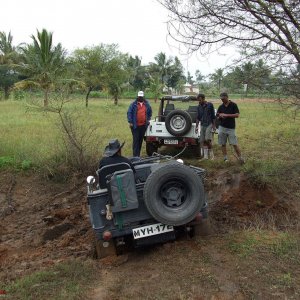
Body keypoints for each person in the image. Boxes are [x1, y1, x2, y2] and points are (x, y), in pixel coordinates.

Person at [216, 92, 244, 163]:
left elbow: (237, 115)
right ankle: (225, 158)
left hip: (231, 128)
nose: (222, 100)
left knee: (234, 143)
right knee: (223, 143)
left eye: (223, 99)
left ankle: (240, 158)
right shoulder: (220, 106)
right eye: (221, 99)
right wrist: (220, 116)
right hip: (222, 127)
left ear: (227, 97)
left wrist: (226, 115)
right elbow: (217, 116)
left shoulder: (233, 105)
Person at [127, 91, 152, 157]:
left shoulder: (147, 104)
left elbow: (149, 112)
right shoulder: (133, 104)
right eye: (139, 96)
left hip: (143, 126)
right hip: (135, 126)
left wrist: (148, 119)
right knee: (136, 141)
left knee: (140, 140)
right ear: (137, 96)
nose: (140, 97)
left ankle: (138, 155)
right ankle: (135, 156)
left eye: (141, 96)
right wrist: (130, 122)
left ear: (143, 96)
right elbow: (129, 113)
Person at [195, 93, 216, 159]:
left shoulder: (210, 105)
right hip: (202, 125)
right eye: (198, 100)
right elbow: (198, 117)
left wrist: (214, 125)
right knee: (203, 140)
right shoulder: (199, 107)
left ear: (203, 99)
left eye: (200, 100)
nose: (199, 101)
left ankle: (212, 154)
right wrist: (196, 127)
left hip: (209, 124)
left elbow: (213, 116)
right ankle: (205, 157)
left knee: (207, 139)